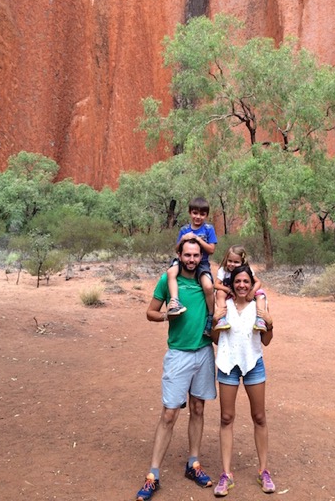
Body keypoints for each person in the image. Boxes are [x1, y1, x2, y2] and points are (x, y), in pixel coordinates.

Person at [135, 238, 216, 501]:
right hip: (178, 354)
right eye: (187, 255)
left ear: (200, 257)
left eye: (196, 255)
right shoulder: (168, 280)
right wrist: (166, 316)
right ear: (179, 255)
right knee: (169, 413)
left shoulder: (207, 282)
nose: (191, 259)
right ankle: (153, 475)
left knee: (198, 408)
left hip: (204, 352)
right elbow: (150, 312)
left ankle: (193, 463)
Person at [211, 265, 276, 497]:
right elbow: (216, 339)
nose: (241, 285)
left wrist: (269, 322)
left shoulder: (258, 305)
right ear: (231, 283)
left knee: (259, 417)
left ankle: (263, 470)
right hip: (228, 364)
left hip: (253, 364)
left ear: (251, 284)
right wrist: (214, 321)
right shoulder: (223, 306)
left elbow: (266, 340)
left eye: (245, 281)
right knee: (226, 418)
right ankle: (226, 474)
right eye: (237, 281)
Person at [166, 197, 217, 336]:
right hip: (183, 260)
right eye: (195, 213)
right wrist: (183, 239)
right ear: (190, 213)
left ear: (206, 215)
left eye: (202, 214)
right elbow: (177, 249)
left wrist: (198, 239)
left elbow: (211, 250)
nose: (198, 217)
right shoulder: (184, 229)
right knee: (170, 273)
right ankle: (175, 301)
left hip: (202, 263)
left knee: (207, 286)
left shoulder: (208, 229)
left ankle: (210, 317)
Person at [214, 244, 267, 332]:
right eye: (230, 261)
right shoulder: (223, 270)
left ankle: (260, 319)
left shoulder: (247, 269)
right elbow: (216, 284)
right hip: (230, 292)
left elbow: (258, 282)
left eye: (236, 262)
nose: (232, 264)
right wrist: (227, 290)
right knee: (219, 292)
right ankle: (222, 318)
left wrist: (252, 292)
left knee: (261, 295)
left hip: (246, 292)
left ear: (242, 262)